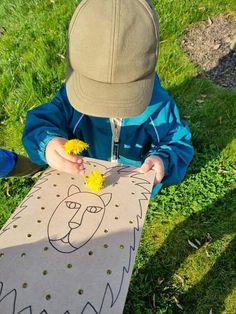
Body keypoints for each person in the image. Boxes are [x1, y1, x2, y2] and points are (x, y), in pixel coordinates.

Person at [22, 0, 194, 197]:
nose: (110, 107)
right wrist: (48, 143)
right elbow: (40, 122)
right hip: (84, 185)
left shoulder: (159, 107)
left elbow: (178, 143)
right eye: (96, 93)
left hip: (132, 190)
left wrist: (163, 160)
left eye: (123, 96)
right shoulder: (68, 101)